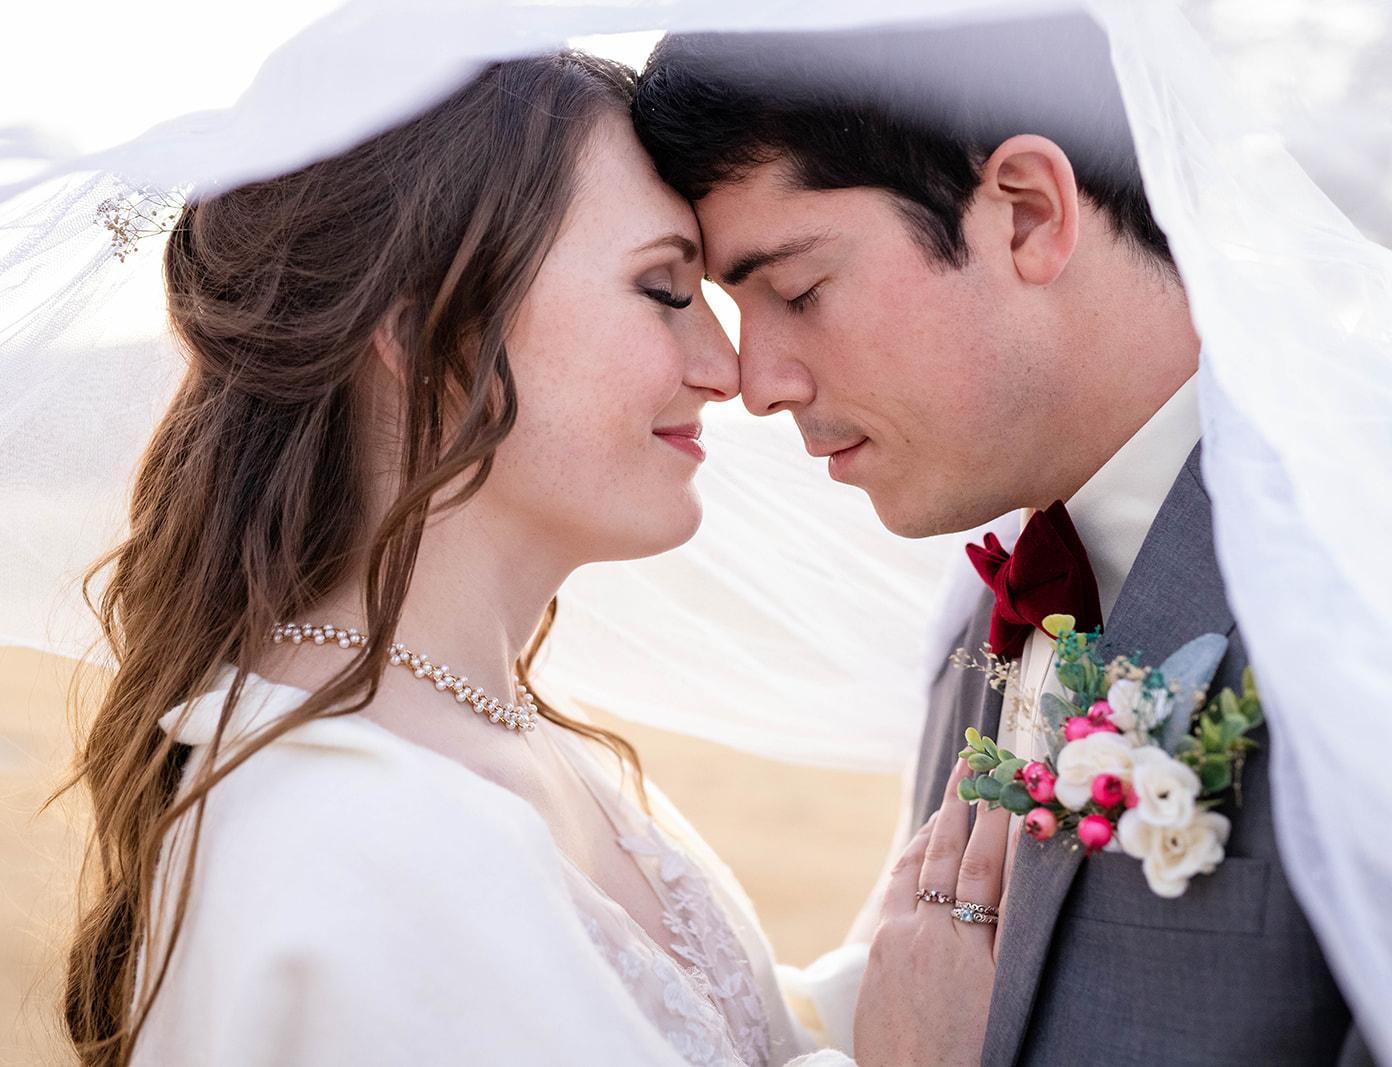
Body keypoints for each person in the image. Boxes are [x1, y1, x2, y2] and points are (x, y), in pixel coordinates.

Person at [61, 51, 1008, 1066]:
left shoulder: (514, 737)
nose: (728, 369)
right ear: (425, 329)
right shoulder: (342, 839)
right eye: (662, 289)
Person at [630, 18, 1370, 1067]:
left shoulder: (1358, 585)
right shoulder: (991, 597)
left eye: (798, 292)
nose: (758, 383)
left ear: (1027, 213)